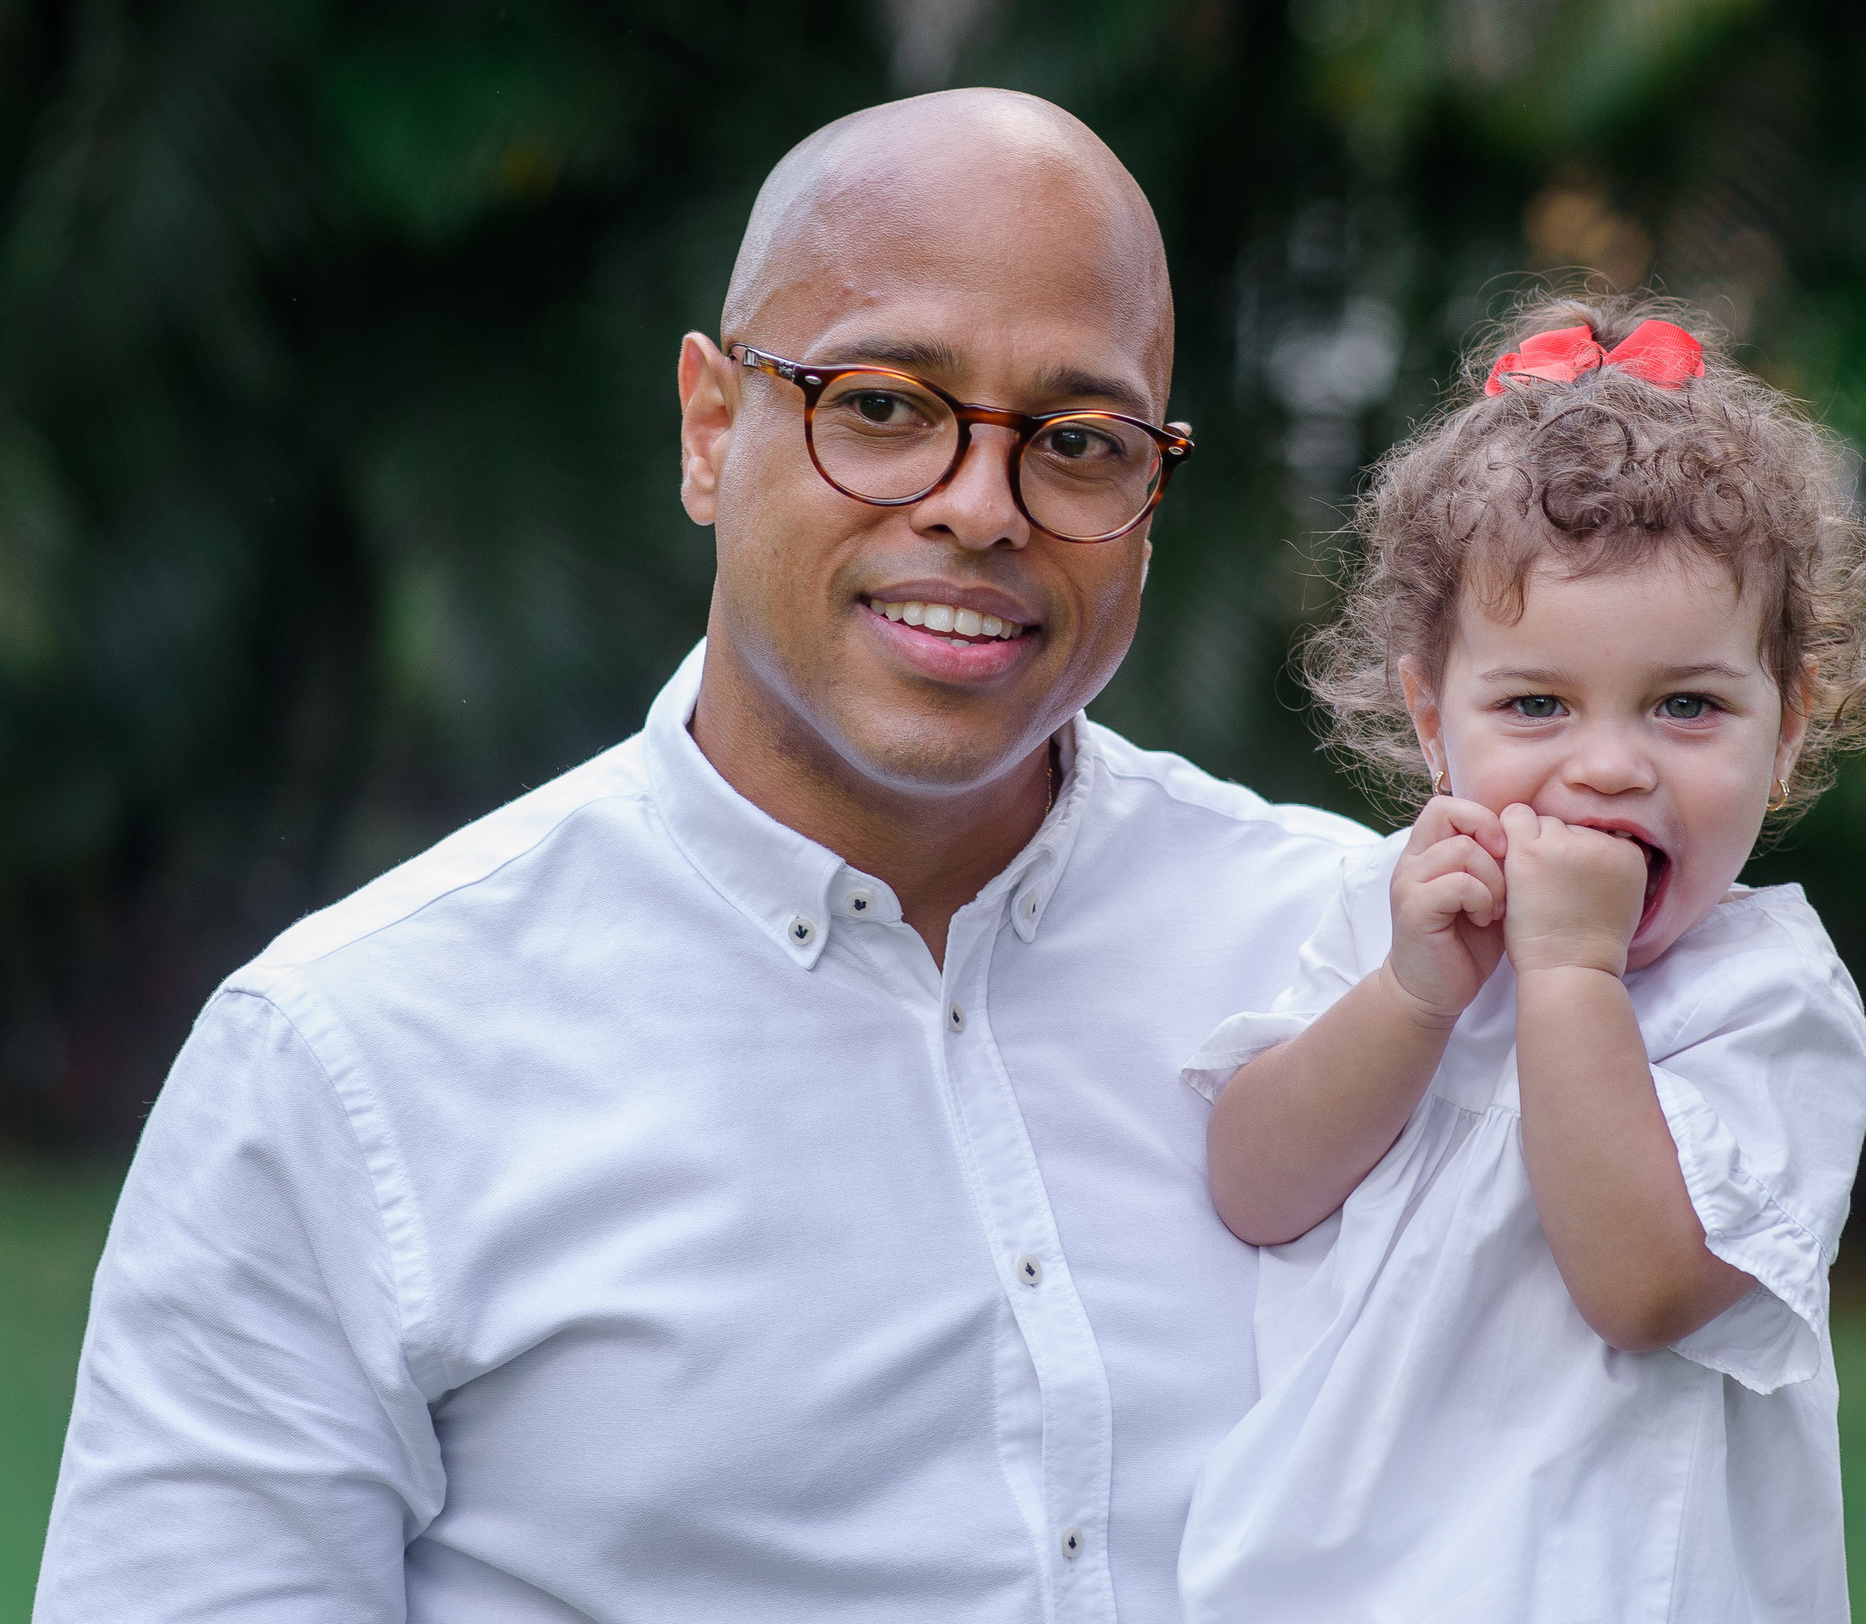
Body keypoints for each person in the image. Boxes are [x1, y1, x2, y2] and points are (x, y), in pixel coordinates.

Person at [35, 90, 1370, 1624]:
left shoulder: (1348, 957)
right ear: (713, 427)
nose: (980, 508)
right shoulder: (351, 1064)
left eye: (1076, 442)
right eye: (883, 405)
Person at [1174, 294, 1866, 1623]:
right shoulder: (1387, 919)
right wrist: (1409, 998)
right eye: (1535, 704)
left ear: (1787, 728)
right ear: (1430, 718)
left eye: (1688, 705)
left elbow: (1642, 1288)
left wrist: (1570, 978)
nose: (1609, 764)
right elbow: (1253, 1187)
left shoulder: (1771, 1000)